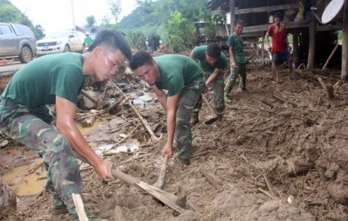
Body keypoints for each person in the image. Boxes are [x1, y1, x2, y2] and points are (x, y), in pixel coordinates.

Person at [0, 30, 132, 219]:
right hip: (12, 111)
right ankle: (79, 214)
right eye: (113, 64)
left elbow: (66, 124)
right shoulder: (72, 68)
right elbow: (64, 125)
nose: (113, 72)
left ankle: (60, 203)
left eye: (118, 67)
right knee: (58, 143)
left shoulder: (77, 70)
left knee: (59, 145)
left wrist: (94, 160)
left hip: (32, 108)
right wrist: (98, 162)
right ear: (98, 52)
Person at [129, 51, 204, 165]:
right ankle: (180, 137)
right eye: (140, 76)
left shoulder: (171, 75)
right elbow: (160, 95)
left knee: (181, 119)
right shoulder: (149, 73)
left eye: (147, 73)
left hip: (194, 80)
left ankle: (183, 159)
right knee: (175, 114)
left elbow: (171, 111)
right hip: (180, 79)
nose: (146, 78)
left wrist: (168, 143)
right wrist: (171, 118)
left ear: (154, 64)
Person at [190, 43, 227, 124]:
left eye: (214, 60)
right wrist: (191, 73)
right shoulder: (198, 51)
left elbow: (215, 73)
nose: (212, 62)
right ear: (205, 53)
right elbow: (190, 61)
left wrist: (205, 84)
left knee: (219, 96)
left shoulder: (222, 59)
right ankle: (194, 117)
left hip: (216, 74)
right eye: (210, 59)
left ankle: (219, 116)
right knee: (196, 93)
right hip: (200, 72)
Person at [265, 12, 293, 83]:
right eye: (276, 20)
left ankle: (291, 74)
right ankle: (276, 77)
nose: (277, 21)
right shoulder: (271, 27)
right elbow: (266, 36)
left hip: (283, 48)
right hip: (275, 48)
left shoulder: (283, 27)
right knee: (274, 62)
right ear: (274, 19)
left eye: (278, 20)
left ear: (280, 20)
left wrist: (289, 44)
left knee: (290, 59)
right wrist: (268, 45)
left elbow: (285, 37)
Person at [224, 19, 246, 103]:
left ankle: (242, 88)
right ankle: (225, 93)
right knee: (233, 77)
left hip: (241, 59)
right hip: (235, 60)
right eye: (238, 27)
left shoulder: (240, 36)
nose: (240, 29)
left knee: (243, 75)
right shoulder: (231, 37)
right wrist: (232, 61)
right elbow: (230, 50)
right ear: (234, 27)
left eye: (241, 28)